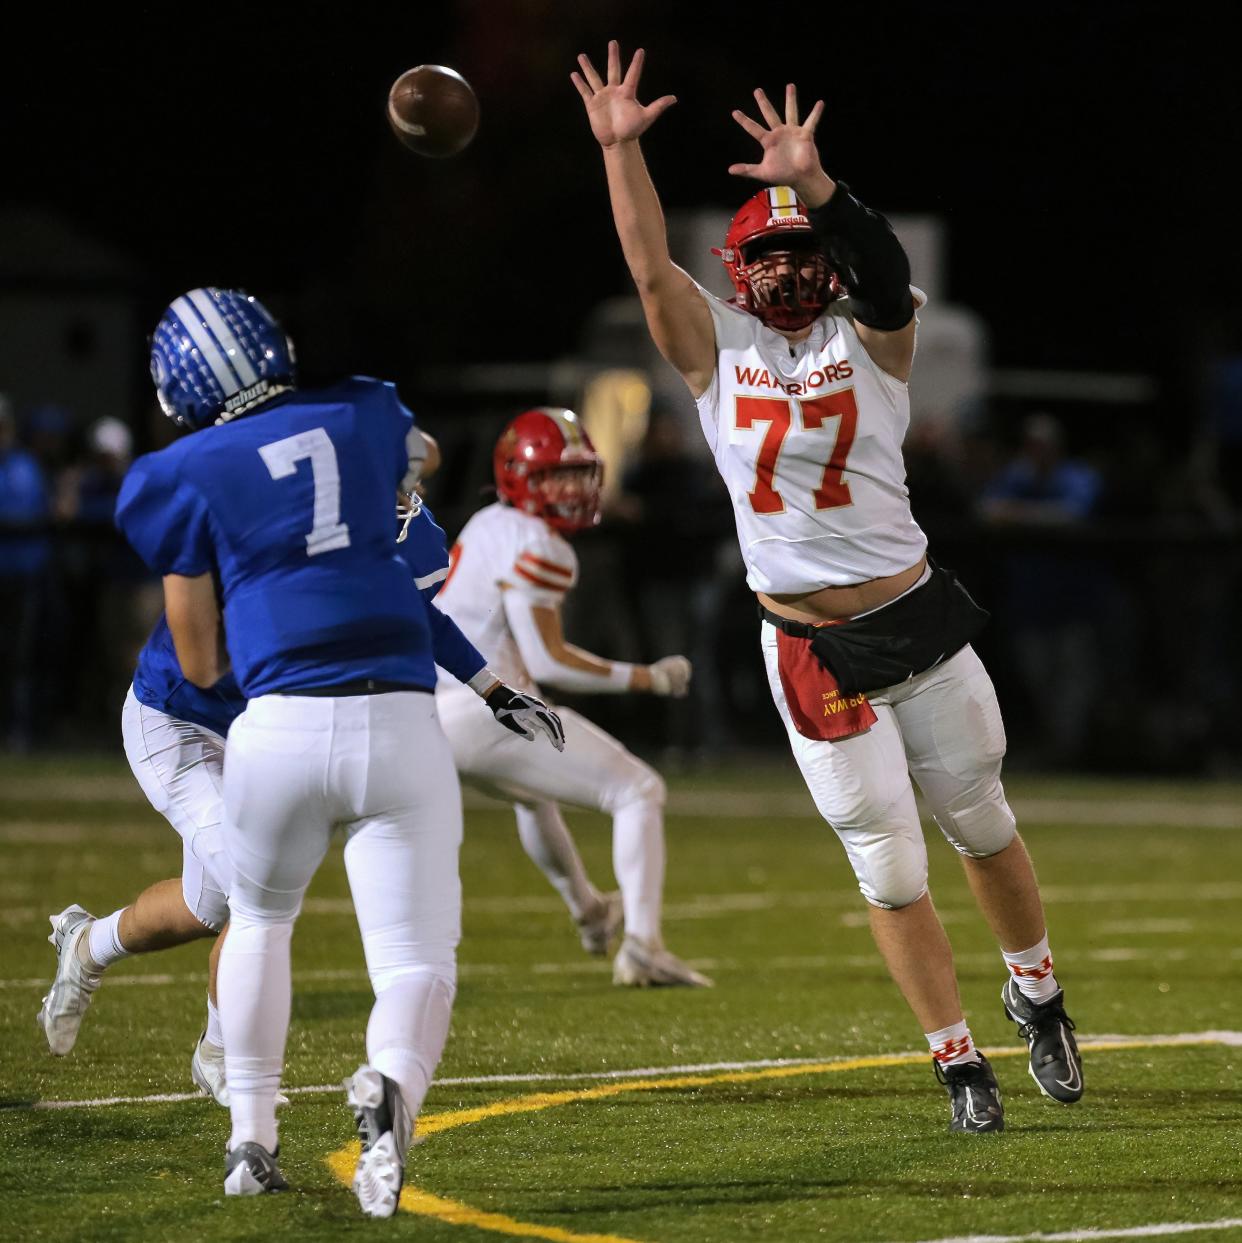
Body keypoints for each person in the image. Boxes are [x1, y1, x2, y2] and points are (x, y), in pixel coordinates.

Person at [572, 42, 1083, 1131]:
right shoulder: (715, 349)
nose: (796, 272)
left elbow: (887, 269)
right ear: (739, 267)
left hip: (918, 620)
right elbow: (646, 261)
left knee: (981, 821)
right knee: (889, 862)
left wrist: (817, 185)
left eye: (811, 253)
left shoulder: (878, 341)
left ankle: (1037, 994)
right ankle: (958, 1060)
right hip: (809, 643)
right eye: (776, 257)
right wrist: (623, 153)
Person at [110, 287, 562, 1212]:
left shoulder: (180, 472)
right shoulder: (364, 406)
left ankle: (249, 1138)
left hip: (276, 723)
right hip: (398, 720)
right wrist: (385, 498)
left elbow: (200, 657)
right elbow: (422, 452)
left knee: (261, 920)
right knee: (413, 959)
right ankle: (390, 1092)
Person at [433, 407, 710, 986]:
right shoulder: (541, 546)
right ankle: (643, 946)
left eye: (579, 474)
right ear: (519, 478)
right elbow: (548, 660)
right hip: (486, 711)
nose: (573, 489)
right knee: (639, 790)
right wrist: (648, 677)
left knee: (534, 798)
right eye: (556, 475)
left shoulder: (487, 521)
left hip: (436, 712)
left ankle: (590, 910)